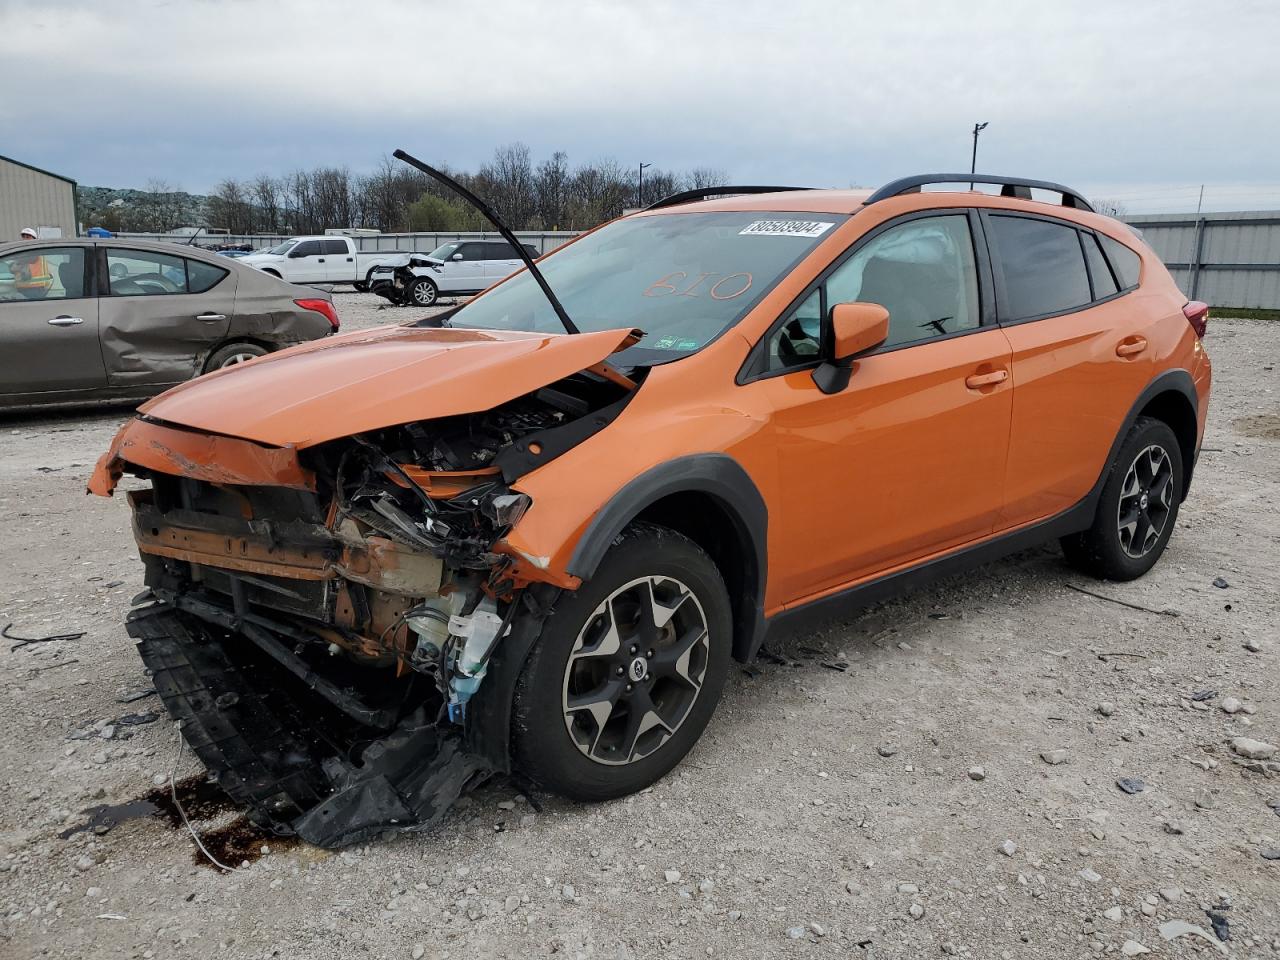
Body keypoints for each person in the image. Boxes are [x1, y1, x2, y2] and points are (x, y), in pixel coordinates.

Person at [13, 228, 52, 298]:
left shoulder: (33, 252)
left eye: (28, 237)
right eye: (23, 237)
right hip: (25, 289)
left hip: (35, 289)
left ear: (34, 240)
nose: (25, 239)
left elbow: (20, 263)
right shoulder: (24, 253)